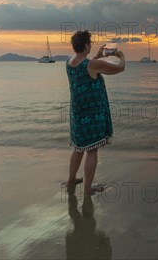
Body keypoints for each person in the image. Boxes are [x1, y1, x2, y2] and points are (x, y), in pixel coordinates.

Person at [65, 30, 126, 195]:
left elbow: (87, 66)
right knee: (92, 150)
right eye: (90, 43)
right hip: (92, 114)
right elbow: (120, 68)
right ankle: (87, 189)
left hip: (77, 113)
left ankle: (71, 180)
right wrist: (121, 56)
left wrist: (97, 56)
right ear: (86, 45)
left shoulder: (69, 62)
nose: (91, 45)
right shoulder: (91, 65)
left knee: (78, 148)